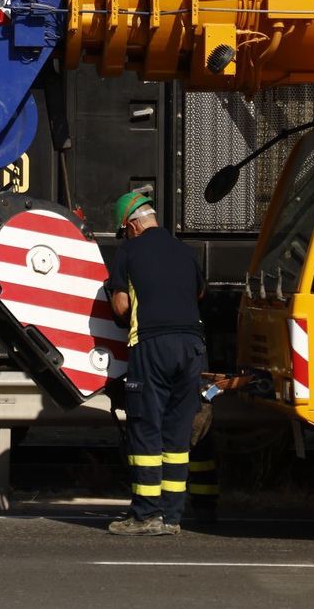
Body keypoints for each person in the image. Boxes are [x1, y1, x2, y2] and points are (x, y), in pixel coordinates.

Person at [105, 189, 206, 536]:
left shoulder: (129, 251)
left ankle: (147, 514)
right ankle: (172, 517)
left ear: (131, 227)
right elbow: (199, 293)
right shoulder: (185, 251)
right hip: (193, 346)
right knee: (177, 435)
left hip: (152, 345)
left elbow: (120, 306)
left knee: (146, 428)